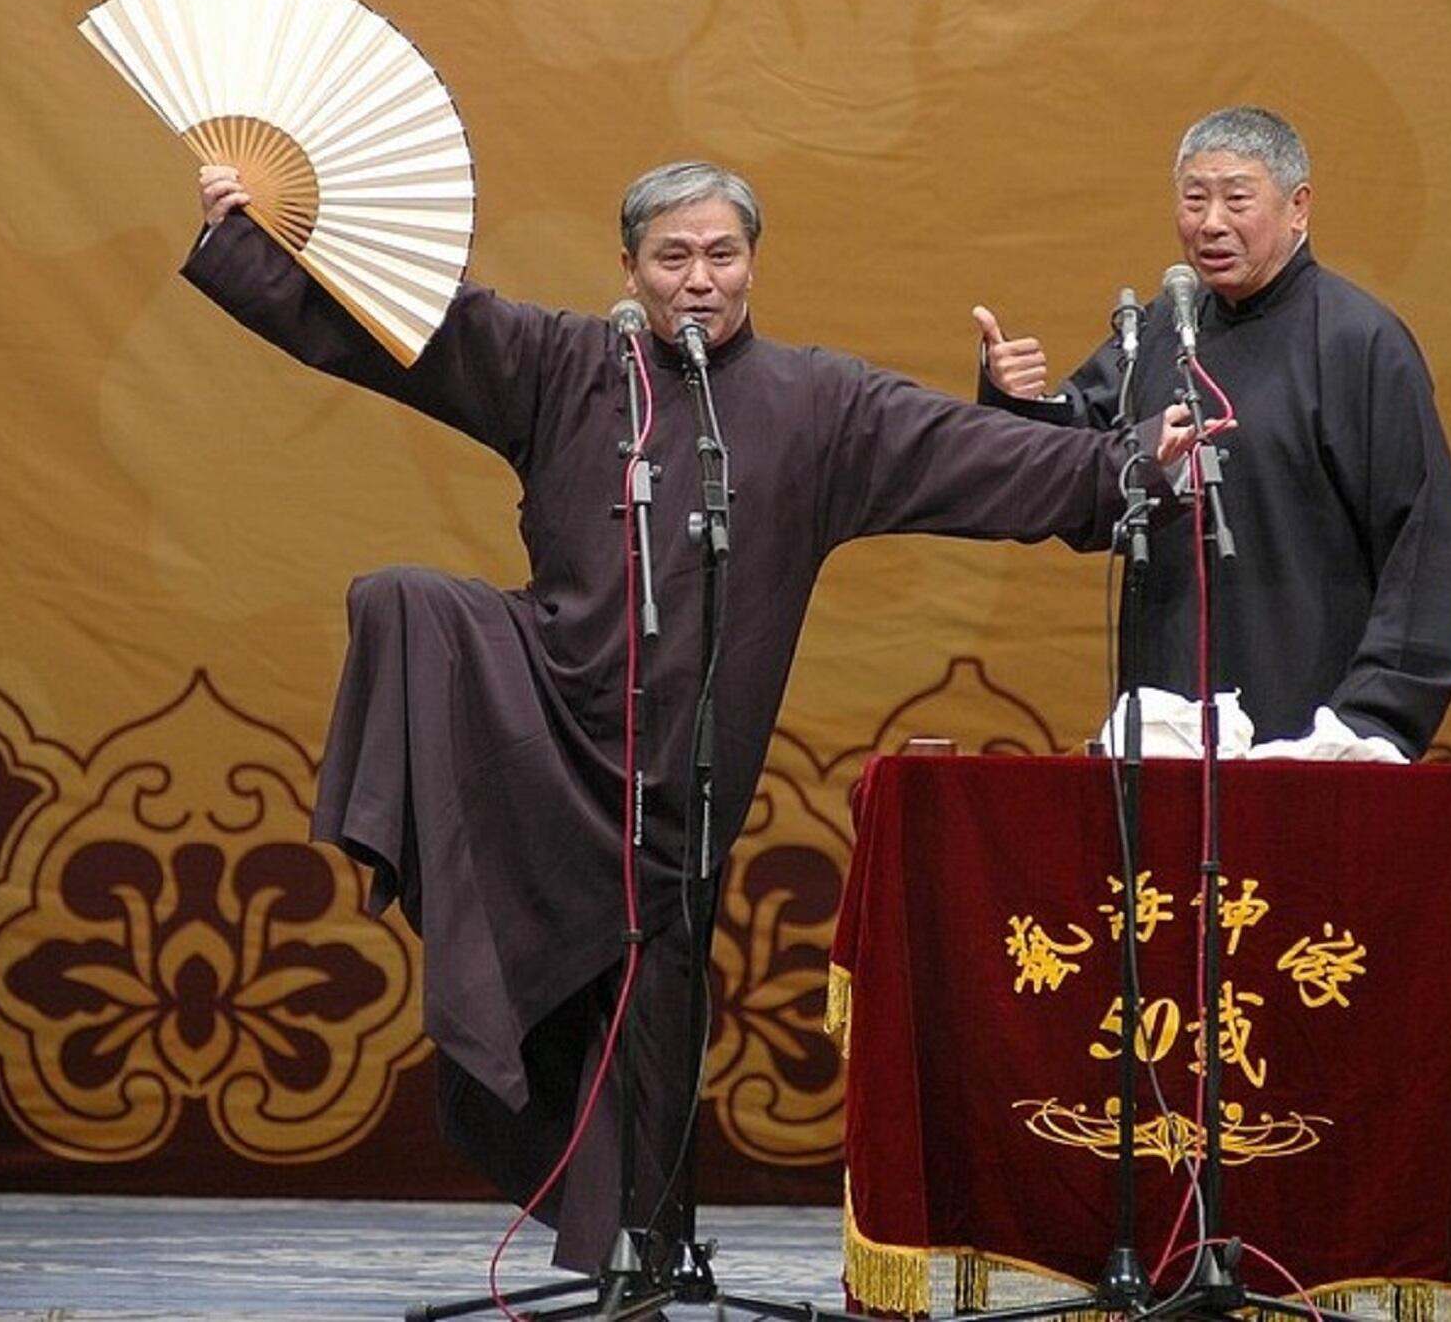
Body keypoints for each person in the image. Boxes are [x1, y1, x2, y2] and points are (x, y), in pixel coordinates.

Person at [183, 159, 1189, 1273]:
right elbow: (402, 322)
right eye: (673, 258)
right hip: (550, 724)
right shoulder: (561, 364)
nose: (699, 280)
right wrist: (257, 238)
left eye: (722, 255)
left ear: (752, 263)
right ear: (631, 269)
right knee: (406, 601)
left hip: (683, 777)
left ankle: (650, 1257)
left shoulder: (820, 406)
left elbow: (972, 459)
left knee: (654, 990)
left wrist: (1128, 461)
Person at [975, 106, 1451, 760]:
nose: (1211, 223)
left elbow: (1424, 540)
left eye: (1237, 199)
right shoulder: (1161, 332)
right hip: (1166, 723)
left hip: (1315, 728)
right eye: (1194, 199)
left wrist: (1372, 720)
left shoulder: (1359, 341)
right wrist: (1015, 403)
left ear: (1299, 207)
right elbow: (1079, 468)